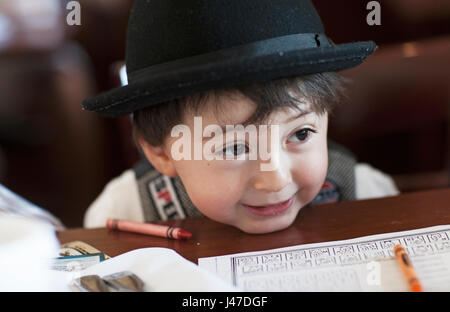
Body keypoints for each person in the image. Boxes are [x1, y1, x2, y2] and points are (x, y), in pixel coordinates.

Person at [82, 0, 398, 233]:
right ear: (161, 152)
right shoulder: (126, 213)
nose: (276, 179)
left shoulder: (365, 193)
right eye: (234, 148)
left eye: (300, 134)